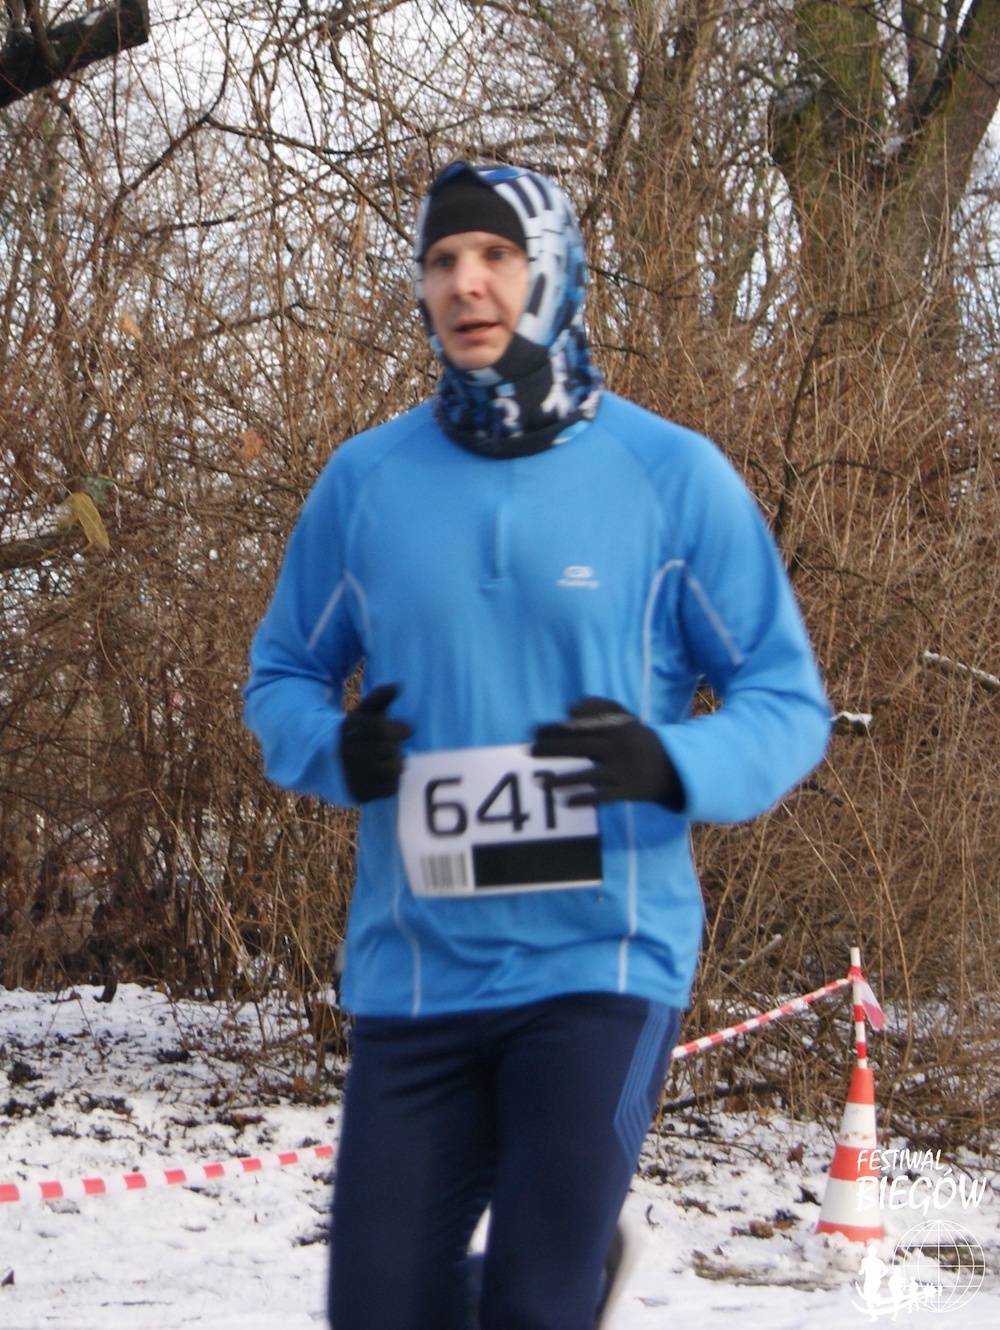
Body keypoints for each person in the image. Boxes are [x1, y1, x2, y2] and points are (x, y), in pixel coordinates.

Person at [244, 161, 831, 1330]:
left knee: (533, 1303)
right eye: (442, 260)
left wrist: (672, 763)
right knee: (377, 1312)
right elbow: (281, 680)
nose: (466, 283)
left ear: (551, 270)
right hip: (417, 970)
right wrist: (331, 749)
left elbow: (784, 698)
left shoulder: (671, 477)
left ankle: (559, 1267)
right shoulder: (366, 483)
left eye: (496, 256)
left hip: (600, 963)